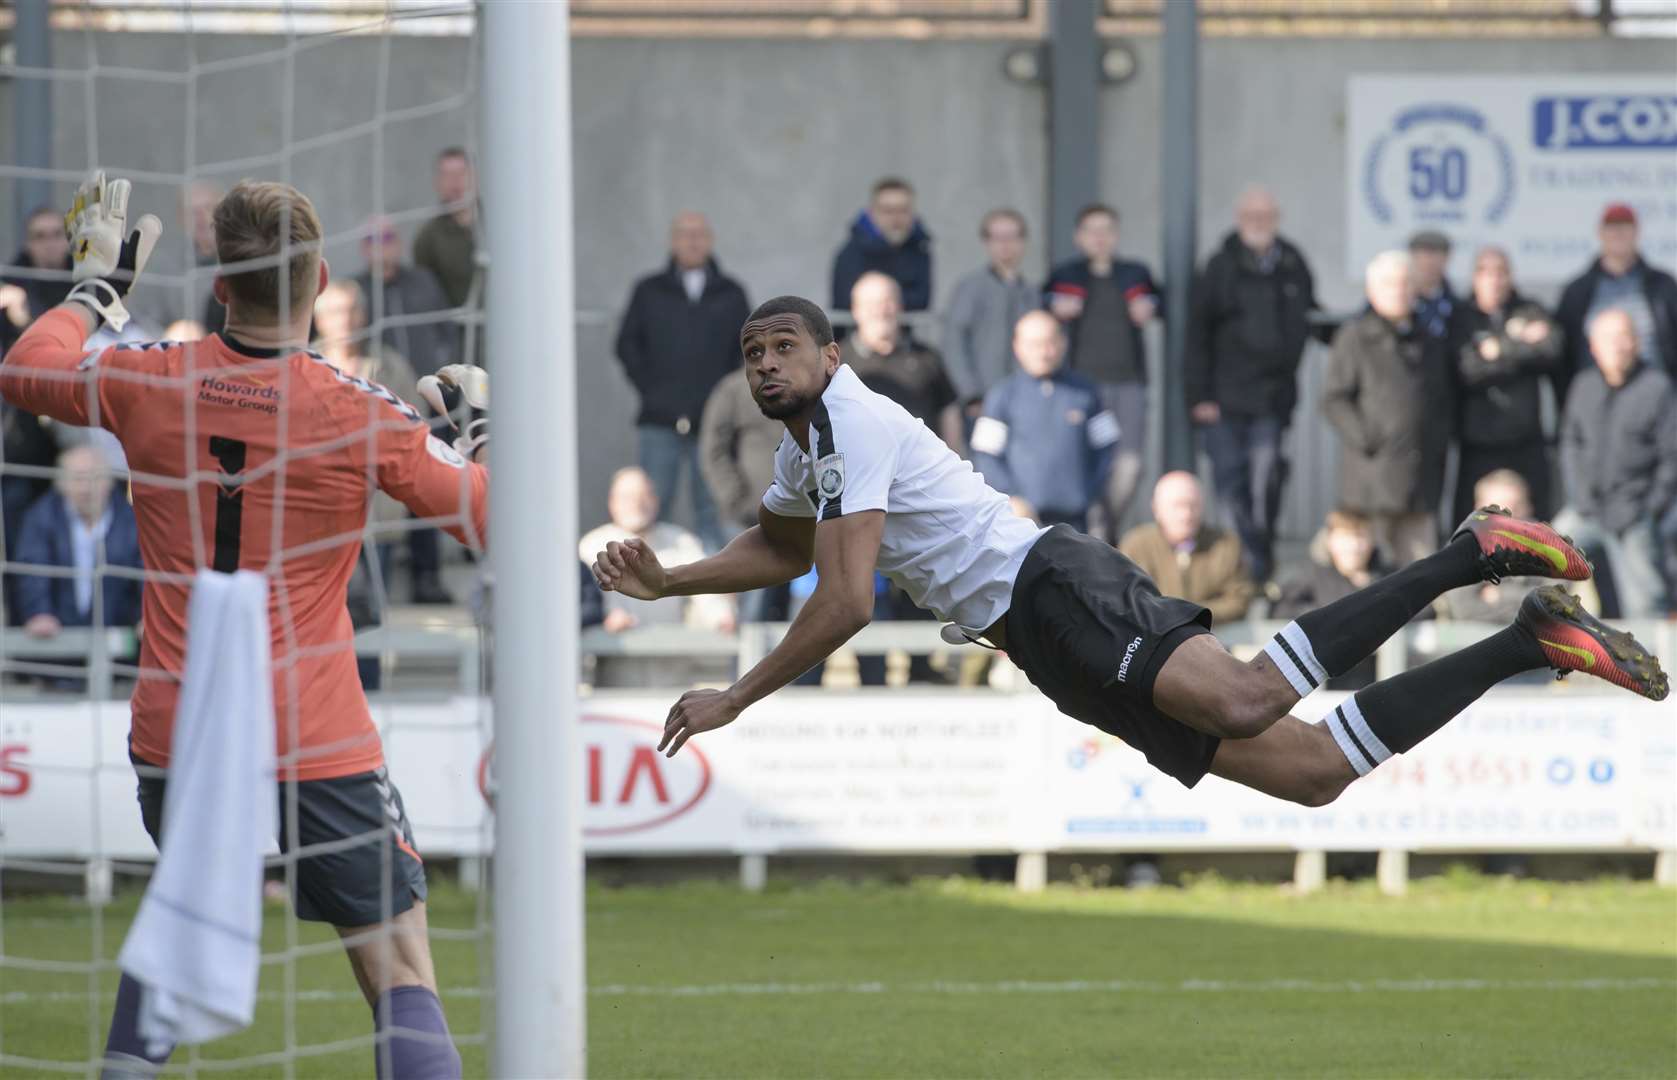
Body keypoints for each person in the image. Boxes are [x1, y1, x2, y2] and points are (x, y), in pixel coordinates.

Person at [591, 295, 1664, 819]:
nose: (764, 363)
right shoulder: (809, 449)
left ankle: (1467, 551)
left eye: (783, 346)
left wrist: (738, 693)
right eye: (751, 354)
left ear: (831, 355)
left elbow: (843, 601)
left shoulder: (856, 423)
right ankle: (1531, 642)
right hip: (1039, 640)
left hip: (1051, 586)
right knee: (1312, 776)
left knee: (1246, 702)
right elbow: (779, 549)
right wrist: (672, 579)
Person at [0, 172, 489, 1078]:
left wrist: (96, 290)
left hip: (179, 726)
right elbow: (493, 524)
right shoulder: (358, 412)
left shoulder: (150, 380)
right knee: (397, 964)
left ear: (220, 284)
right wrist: (480, 434)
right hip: (315, 730)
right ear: (322, 280)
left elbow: (26, 370)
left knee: (171, 946)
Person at [1185, 187, 1319, 581]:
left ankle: (1259, 557)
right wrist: (1199, 396)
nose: (1259, 223)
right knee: (1231, 483)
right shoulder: (1219, 266)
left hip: (1273, 399)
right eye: (1251, 216)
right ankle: (1247, 568)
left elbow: (1310, 314)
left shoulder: (1293, 263)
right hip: (1222, 400)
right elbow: (1196, 336)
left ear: (1276, 219)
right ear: (1239, 219)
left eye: (1266, 216)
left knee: (1268, 480)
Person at [614, 211, 751, 553]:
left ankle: (715, 599)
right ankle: (650, 593)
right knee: (649, 507)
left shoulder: (731, 293)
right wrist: (653, 389)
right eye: (684, 234)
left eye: (699, 234)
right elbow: (627, 345)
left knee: (713, 512)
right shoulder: (649, 291)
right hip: (660, 420)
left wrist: (728, 400)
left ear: (710, 240)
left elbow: (747, 351)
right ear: (673, 241)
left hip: (713, 424)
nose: (692, 241)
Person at [313, 279, 451, 604]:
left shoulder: (391, 366)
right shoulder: (301, 365)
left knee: (374, 616)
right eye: (335, 312)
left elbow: (414, 428)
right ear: (319, 320)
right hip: (318, 518)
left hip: (378, 518)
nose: (344, 320)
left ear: (363, 315)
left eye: (350, 311)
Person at [1321, 250, 1455, 567]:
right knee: (1370, 578)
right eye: (1389, 284)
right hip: (1372, 484)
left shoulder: (1429, 340)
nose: (1399, 291)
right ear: (1372, 291)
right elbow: (1333, 399)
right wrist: (1370, 439)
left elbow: (1441, 401)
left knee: (1421, 575)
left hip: (1421, 484)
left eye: (1405, 283)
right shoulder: (1354, 337)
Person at [1045, 204, 1159, 543]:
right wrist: (1053, 307)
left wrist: (1151, 306)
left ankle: (1104, 532)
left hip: (1128, 385)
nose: (1099, 237)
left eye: (1106, 229)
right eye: (1091, 230)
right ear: (1078, 237)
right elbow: (1039, 306)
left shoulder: (1134, 272)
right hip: (1082, 389)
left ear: (1116, 234)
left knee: (1129, 466)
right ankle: (1095, 537)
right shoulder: (1065, 274)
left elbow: (1162, 299)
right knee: (1086, 463)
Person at [1553, 309, 1677, 618]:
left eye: (1625, 337)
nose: (1618, 346)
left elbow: (1671, 455)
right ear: (1593, 346)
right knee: (1543, 561)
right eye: (1609, 339)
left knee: (1645, 603)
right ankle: (1541, 656)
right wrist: (1579, 493)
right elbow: (1570, 441)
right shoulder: (1583, 385)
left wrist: (1650, 508)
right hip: (1586, 509)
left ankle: (1653, 665)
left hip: (1633, 514)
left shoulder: (1657, 387)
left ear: (1636, 342)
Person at [969, 310, 1117, 531]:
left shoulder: (1086, 391)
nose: (1043, 352)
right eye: (1033, 344)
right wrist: (1011, 498)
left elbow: (1107, 446)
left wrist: (1090, 492)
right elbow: (985, 455)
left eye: (1049, 343)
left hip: (1076, 520)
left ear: (1063, 343)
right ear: (1017, 346)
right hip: (1019, 522)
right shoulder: (1001, 395)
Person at [1448, 247, 1563, 522]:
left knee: (1538, 525)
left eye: (1501, 272)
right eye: (1487, 273)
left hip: (1527, 442)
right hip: (1479, 445)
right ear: (1475, 278)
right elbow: (1469, 371)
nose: (1495, 280)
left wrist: (1499, 348)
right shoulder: (1461, 318)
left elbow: (1551, 350)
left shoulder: (1529, 309)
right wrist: (1522, 344)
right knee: (1474, 526)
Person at [13, 444, 143, 641]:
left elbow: (143, 571)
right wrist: (39, 612)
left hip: (121, 636)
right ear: (61, 484)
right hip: (57, 637)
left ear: (108, 481)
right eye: (77, 479)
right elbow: (33, 567)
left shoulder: (131, 521)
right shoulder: (41, 518)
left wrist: (145, 616)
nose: (86, 488)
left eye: (93, 478)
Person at [699, 362, 790, 623]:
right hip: (749, 521)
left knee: (798, 615)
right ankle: (744, 666)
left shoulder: (808, 388)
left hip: (803, 520)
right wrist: (737, 501)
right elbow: (713, 451)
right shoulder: (733, 389)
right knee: (753, 610)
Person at [1556, 204, 1677, 391]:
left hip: (1656, 396)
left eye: (1625, 226)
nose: (1619, 233)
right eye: (1612, 226)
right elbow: (1565, 353)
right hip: (1596, 397)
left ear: (1637, 232)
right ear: (1600, 233)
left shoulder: (1663, 286)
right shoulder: (1577, 291)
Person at [839, 272, 961, 448]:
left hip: (920, 469)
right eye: (870, 304)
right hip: (860, 469)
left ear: (900, 306)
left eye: (886, 301)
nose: (880, 311)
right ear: (855, 310)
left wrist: (952, 460)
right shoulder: (837, 361)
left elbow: (949, 411)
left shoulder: (926, 356)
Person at [1119, 471, 1254, 626]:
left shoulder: (1225, 545)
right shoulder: (1136, 546)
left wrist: (1190, 615)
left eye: (1193, 505)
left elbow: (1239, 600)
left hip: (1211, 637)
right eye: (1178, 506)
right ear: (1157, 509)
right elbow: (1125, 600)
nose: (1186, 514)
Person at [1270, 509, 1384, 690]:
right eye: (1346, 537)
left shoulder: (1386, 576)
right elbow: (1280, 610)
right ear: (1330, 540)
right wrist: (1323, 619)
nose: (1354, 546)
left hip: (1377, 680)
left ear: (1371, 541)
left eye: (1360, 537)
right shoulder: (1312, 575)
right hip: (1321, 685)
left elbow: (1420, 609)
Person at [943, 209, 1039, 422]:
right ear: (986, 242)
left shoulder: (1032, 292)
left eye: (1012, 236)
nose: (1005, 244)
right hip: (983, 400)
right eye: (997, 237)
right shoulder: (970, 288)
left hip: (1027, 399)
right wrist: (971, 394)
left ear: (1023, 241)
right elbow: (954, 342)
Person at [352, 214, 455, 379]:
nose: (380, 245)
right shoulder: (355, 291)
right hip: (380, 388)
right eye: (373, 239)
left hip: (428, 387)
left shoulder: (423, 281)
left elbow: (448, 332)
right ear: (363, 248)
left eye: (387, 237)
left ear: (399, 244)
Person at [830, 177, 932, 312]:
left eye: (903, 210)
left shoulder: (920, 248)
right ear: (872, 213)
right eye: (888, 211)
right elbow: (844, 301)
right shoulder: (851, 253)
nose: (896, 219)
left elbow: (922, 301)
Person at [412, 147, 480, 312]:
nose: (455, 182)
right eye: (447, 175)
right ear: (437, 183)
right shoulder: (428, 238)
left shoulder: (499, 224)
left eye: (461, 173)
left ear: (474, 178)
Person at [1407, 230, 1456, 341]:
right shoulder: (1400, 304)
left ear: (1446, 259)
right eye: (1423, 256)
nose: (1429, 263)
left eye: (1435, 256)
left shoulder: (1457, 307)